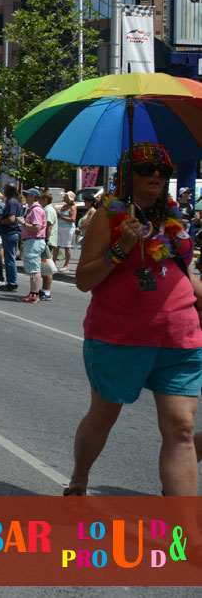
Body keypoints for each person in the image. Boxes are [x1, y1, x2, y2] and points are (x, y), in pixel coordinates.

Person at [66, 143, 202, 497]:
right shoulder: (110, 218)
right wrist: (120, 248)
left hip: (179, 336)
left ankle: (183, 532)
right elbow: (83, 280)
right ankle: (79, 479)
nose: (157, 176)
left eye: (164, 171)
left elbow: (184, 274)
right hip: (119, 337)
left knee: (181, 428)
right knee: (103, 417)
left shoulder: (172, 218)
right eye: (146, 170)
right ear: (129, 176)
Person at [0, 184, 23, 292]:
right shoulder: (16, 201)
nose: (3, 191)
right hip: (11, 233)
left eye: (4, 189)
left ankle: (12, 283)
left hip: (10, 233)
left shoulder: (12, 202)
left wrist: (0, 221)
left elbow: (11, 219)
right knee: (10, 259)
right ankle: (11, 282)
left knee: (9, 260)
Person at [56, 191, 77, 272]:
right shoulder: (64, 206)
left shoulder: (72, 207)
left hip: (68, 228)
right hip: (60, 227)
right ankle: (53, 262)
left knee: (66, 246)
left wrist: (61, 216)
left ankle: (66, 264)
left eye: (65, 196)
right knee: (56, 246)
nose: (63, 197)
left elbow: (73, 219)